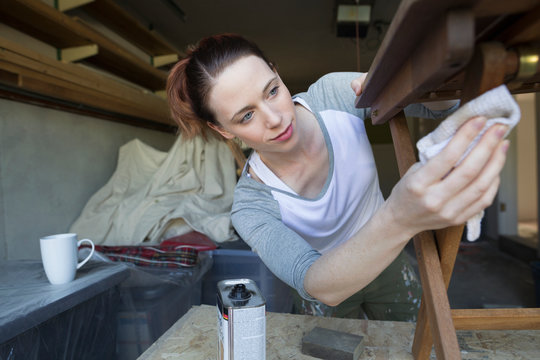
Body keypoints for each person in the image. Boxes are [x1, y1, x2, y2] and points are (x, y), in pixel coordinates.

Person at [166, 34, 509, 321]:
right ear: (221, 129)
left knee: (413, 342)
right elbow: (316, 283)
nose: (274, 118)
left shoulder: (334, 96)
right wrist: (400, 217)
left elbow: (440, 106)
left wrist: (418, 76)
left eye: (272, 90)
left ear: (276, 72)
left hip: (390, 263)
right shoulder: (251, 206)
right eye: (246, 116)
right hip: (329, 285)